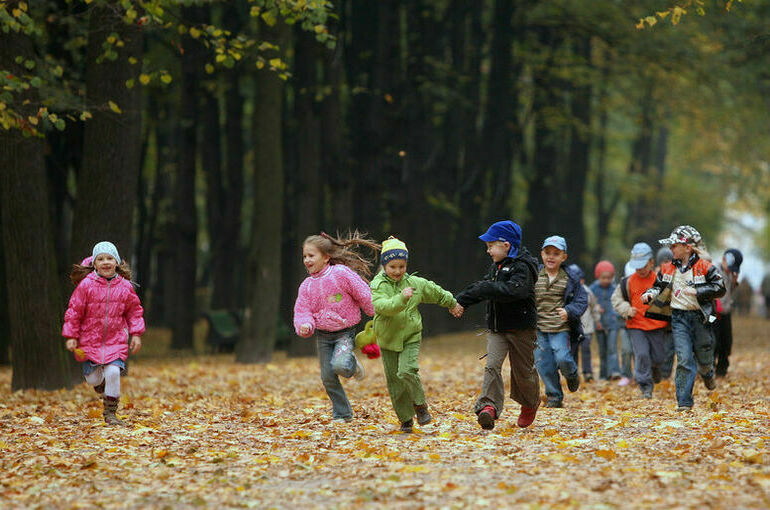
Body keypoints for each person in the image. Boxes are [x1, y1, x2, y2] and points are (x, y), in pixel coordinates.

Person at [371, 236, 463, 433]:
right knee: (395, 382)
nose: (397, 271)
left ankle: (420, 406)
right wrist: (401, 298)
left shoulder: (414, 283)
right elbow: (383, 307)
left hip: (410, 336)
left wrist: (452, 303)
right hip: (387, 339)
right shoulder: (378, 285)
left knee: (406, 371)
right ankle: (405, 419)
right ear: (384, 265)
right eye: (393, 267)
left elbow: (434, 291)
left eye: (402, 266)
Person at [455, 220, 541, 430]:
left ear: (506, 245)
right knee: (492, 365)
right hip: (498, 329)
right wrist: (460, 301)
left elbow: (514, 291)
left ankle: (530, 403)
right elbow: (482, 287)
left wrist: (488, 288)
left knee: (523, 372)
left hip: (521, 329)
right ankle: (488, 407)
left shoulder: (523, 267)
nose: (488, 251)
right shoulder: (496, 267)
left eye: (491, 246)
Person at [293, 231, 380, 423]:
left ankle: (351, 364)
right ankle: (342, 414)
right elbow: (302, 311)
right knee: (327, 377)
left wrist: (374, 311)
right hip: (323, 336)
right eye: (304, 256)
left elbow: (362, 293)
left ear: (326, 257)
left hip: (344, 333)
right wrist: (305, 324)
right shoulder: (306, 286)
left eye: (311, 255)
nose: (307, 260)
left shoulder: (340, 273)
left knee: (340, 365)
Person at [642, 226, 725, 411]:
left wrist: (698, 291)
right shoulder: (668, 268)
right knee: (684, 358)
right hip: (679, 318)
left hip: (701, 317)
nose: (671, 249)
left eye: (674, 246)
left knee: (704, 355)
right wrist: (649, 294)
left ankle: (707, 373)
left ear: (687, 247)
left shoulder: (704, 267)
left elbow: (720, 287)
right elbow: (657, 285)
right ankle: (684, 402)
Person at [63, 242, 145, 425]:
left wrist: (136, 334)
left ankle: (110, 414)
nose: (106, 262)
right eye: (100, 259)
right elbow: (74, 312)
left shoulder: (125, 286)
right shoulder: (86, 285)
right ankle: (101, 385)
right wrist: (71, 336)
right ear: (94, 263)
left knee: (114, 372)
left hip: (116, 339)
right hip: (89, 340)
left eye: (110, 258)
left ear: (116, 262)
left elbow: (134, 312)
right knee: (93, 379)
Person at [534, 236, 587, 408]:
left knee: (562, 357)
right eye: (547, 253)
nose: (551, 257)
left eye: (556, 254)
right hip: (539, 329)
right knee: (544, 363)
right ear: (542, 254)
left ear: (563, 257)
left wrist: (569, 311)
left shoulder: (570, 278)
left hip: (560, 328)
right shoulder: (534, 274)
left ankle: (571, 375)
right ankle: (554, 396)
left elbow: (581, 300)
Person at [611, 243, 669, 399]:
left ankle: (655, 369)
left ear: (651, 262)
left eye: (643, 266)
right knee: (642, 355)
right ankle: (645, 387)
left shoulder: (660, 280)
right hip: (636, 325)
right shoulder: (627, 282)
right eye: (637, 267)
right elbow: (616, 299)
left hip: (657, 325)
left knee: (659, 357)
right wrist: (626, 309)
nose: (640, 270)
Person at [589, 261, 623, 381]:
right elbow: (590, 305)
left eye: (609, 278)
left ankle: (614, 371)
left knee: (612, 348)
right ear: (598, 276)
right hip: (598, 323)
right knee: (602, 350)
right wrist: (596, 311)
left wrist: (615, 315)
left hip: (613, 323)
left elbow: (618, 303)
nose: (606, 280)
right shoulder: (593, 289)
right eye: (603, 278)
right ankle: (603, 374)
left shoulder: (614, 288)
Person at [567, 264, 600, 383]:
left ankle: (587, 372)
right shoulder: (567, 292)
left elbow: (594, 307)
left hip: (587, 328)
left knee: (586, 350)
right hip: (573, 328)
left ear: (583, 280)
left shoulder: (587, 292)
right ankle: (574, 373)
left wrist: (597, 320)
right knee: (573, 351)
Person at [713, 248, 742, 377]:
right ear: (724, 259)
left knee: (726, 342)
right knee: (714, 341)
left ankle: (722, 370)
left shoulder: (731, 274)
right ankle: (709, 369)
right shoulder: (714, 270)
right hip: (713, 313)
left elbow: (729, 293)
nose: (730, 270)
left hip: (725, 312)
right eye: (730, 267)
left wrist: (734, 283)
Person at [655, 247, 676, 379]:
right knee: (657, 349)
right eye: (663, 261)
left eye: (668, 261)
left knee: (669, 349)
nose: (666, 264)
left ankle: (665, 374)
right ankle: (656, 372)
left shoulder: (676, 274)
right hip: (657, 320)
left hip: (671, 320)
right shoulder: (655, 276)